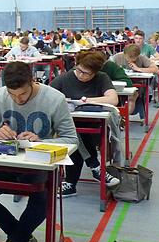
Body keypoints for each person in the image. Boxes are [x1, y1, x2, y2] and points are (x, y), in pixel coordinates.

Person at [0, 62, 77, 242]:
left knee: (42, 196)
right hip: (6, 163)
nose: (18, 99)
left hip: (40, 167)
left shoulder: (54, 99)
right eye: (13, 95)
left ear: (33, 81)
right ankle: (24, 239)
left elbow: (72, 140)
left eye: (24, 94)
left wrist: (41, 142)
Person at [50, 51, 121, 197]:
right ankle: (95, 167)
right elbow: (48, 96)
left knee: (75, 135)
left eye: (87, 74)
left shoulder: (102, 78)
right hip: (68, 126)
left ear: (95, 72)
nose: (82, 75)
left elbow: (113, 99)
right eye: (80, 70)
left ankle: (71, 184)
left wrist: (86, 100)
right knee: (73, 132)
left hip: (95, 125)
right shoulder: (65, 78)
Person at [110, 44, 158, 117]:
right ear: (124, 54)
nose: (131, 60)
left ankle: (124, 118)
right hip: (119, 84)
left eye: (134, 58)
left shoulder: (142, 58)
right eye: (129, 57)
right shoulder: (117, 57)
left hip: (136, 85)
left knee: (131, 97)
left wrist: (138, 69)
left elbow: (156, 70)